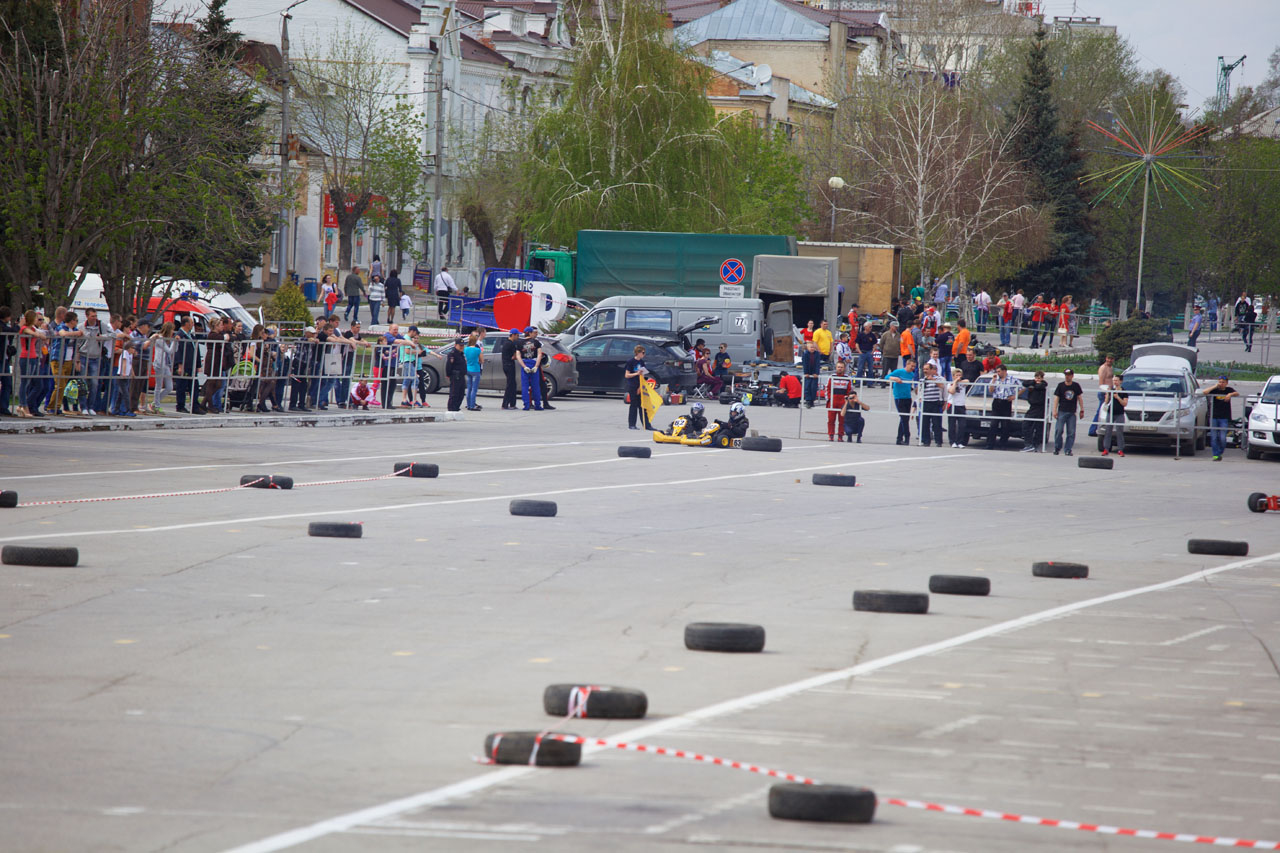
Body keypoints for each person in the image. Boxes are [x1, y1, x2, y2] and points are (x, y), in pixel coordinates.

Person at [1199, 375, 1239, 461]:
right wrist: (1215, 386)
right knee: (1214, 437)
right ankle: (1215, 455)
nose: (1221, 384)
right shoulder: (1215, 390)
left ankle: (1220, 452)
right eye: (1220, 382)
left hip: (1224, 417)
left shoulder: (1229, 390)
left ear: (1226, 383)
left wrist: (1230, 394)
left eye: (1223, 382)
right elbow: (1204, 392)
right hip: (1214, 416)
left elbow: (1237, 393)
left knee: (1222, 438)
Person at [986, 365, 1020, 449]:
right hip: (997, 402)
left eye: (999, 371)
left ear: (1004, 371)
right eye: (997, 371)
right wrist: (993, 381)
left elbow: (1022, 387)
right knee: (993, 424)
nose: (998, 373)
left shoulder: (1012, 379)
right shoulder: (995, 379)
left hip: (1006, 402)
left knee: (1005, 425)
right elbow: (990, 390)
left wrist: (1015, 396)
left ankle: (1002, 444)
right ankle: (990, 444)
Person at [1052, 368, 1085, 456]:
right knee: (1059, 430)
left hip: (1072, 412)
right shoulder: (1060, 385)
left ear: (1072, 376)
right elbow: (1056, 398)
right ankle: (1057, 447)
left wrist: (1082, 409)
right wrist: (1054, 410)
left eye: (1069, 375)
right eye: (1066, 375)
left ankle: (1068, 449)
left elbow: (1079, 398)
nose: (1067, 377)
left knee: (1071, 432)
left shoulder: (1076, 386)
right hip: (1062, 411)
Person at [887, 358, 916, 445]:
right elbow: (886, 377)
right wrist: (895, 378)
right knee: (904, 418)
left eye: (914, 366)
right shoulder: (899, 371)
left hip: (908, 397)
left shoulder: (911, 374)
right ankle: (907, 436)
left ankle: (899, 438)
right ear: (907, 364)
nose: (913, 368)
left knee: (904, 419)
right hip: (899, 397)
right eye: (911, 366)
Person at [1020, 371, 1049, 452]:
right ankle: (1029, 445)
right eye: (1036, 378)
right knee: (1026, 425)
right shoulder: (1033, 383)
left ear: (1042, 378)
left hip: (1040, 408)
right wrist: (1033, 382)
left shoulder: (1043, 385)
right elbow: (1024, 383)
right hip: (1032, 407)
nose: (1037, 380)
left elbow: (1040, 386)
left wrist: (1033, 385)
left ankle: (1033, 445)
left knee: (1038, 427)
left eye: (1039, 378)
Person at [825, 361, 854, 441]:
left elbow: (850, 390)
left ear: (844, 368)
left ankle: (840, 436)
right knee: (831, 419)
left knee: (842, 420)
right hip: (833, 400)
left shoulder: (848, 378)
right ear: (836, 368)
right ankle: (831, 435)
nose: (840, 369)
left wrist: (847, 401)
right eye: (838, 367)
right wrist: (829, 399)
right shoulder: (831, 377)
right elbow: (827, 388)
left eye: (841, 367)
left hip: (843, 401)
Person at [1087, 354, 1115, 438]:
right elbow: (1101, 382)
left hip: (1109, 392)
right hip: (1104, 393)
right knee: (1100, 411)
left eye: (1111, 359)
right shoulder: (1103, 368)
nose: (1109, 360)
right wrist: (1106, 392)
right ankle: (1092, 430)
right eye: (1108, 358)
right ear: (1106, 358)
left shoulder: (1111, 368)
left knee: (1106, 411)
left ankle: (1103, 428)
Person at [918, 362, 945, 447]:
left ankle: (938, 441)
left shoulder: (938, 378)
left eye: (927, 369)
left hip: (935, 402)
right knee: (925, 423)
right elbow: (919, 391)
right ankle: (926, 441)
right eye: (924, 369)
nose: (925, 371)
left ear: (931, 370)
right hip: (925, 402)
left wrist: (933, 380)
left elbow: (942, 386)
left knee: (936, 423)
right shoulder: (922, 379)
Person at [151, 321, 176, 412]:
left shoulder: (167, 339)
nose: (173, 332)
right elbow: (169, 350)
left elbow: (173, 350)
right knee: (158, 385)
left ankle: (154, 402)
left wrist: (175, 342)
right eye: (172, 330)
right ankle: (156, 406)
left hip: (166, 364)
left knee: (169, 387)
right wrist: (174, 341)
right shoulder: (160, 339)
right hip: (159, 364)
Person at [1099, 377, 1128, 457]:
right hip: (1110, 413)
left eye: (1116, 380)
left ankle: (1120, 449)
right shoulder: (1111, 390)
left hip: (1119, 413)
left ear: (1120, 381)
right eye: (1114, 380)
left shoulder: (1124, 391)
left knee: (1119, 432)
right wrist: (1108, 394)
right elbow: (1106, 402)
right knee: (1108, 431)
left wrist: (1118, 397)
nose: (1115, 382)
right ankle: (1106, 449)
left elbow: (1124, 403)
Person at [624, 344, 648, 427]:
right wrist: (636, 373)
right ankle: (632, 424)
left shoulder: (641, 362)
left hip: (639, 385)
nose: (644, 354)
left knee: (642, 405)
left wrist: (641, 386)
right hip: (632, 385)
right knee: (634, 404)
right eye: (643, 353)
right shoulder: (630, 362)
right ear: (638, 353)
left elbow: (643, 375)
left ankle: (646, 424)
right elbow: (627, 375)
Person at [443, 336, 467, 412]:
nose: (461, 347)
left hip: (461, 376)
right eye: (460, 345)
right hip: (455, 376)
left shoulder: (461, 354)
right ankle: (451, 408)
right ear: (455, 345)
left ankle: (456, 407)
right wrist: (448, 375)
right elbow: (449, 365)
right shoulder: (452, 354)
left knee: (461, 393)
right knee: (454, 393)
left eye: (462, 345)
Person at [500, 328, 521, 410]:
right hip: (509, 365)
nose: (518, 337)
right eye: (517, 335)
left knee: (513, 384)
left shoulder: (506, 342)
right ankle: (505, 404)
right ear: (513, 335)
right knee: (510, 385)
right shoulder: (511, 344)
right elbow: (514, 356)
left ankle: (512, 403)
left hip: (506, 365)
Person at [947, 371, 969, 448]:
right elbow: (952, 391)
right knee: (952, 425)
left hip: (961, 405)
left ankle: (959, 442)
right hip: (952, 405)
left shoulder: (963, 383)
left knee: (962, 425)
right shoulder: (950, 384)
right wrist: (955, 382)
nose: (958, 377)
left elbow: (967, 381)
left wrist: (960, 381)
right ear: (953, 376)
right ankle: (952, 441)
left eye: (960, 375)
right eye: (957, 375)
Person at [464, 331, 483, 411]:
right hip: (476, 370)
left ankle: (468, 405)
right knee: (474, 389)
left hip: (468, 369)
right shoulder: (478, 350)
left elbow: (465, 359)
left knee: (469, 388)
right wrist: (478, 361)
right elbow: (482, 360)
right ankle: (472, 405)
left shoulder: (466, 349)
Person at [854, 322, 876, 386]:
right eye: (870, 327)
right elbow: (857, 343)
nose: (871, 328)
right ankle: (858, 382)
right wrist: (859, 351)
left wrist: (873, 351)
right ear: (865, 327)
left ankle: (870, 383)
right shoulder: (860, 335)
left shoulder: (872, 335)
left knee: (870, 368)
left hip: (869, 352)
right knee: (860, 368)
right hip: (862, 352)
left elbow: (875, 344)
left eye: (871, 327)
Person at [800, 340, 821, 408]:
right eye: (811, 347)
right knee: (807, 386)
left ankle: (812, 400)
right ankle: (808, 400)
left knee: (813, 387)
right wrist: (806, 373)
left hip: (814, 372)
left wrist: (816, 373)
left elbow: (817, 364)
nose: (812, 349)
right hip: (808, 372)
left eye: (813, 347)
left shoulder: (817, 354)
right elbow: (805, 364)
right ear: (807, 348)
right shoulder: (805, 354)